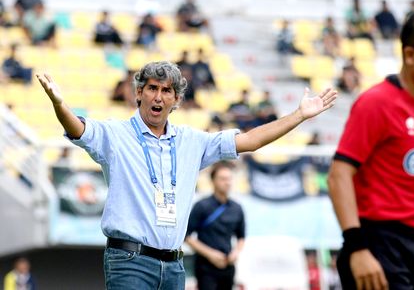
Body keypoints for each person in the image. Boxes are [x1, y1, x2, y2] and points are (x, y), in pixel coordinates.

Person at [36, 61, 337, 289]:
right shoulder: (115, 134)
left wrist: (299, 115)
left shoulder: (193, 141)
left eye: (166, 90)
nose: (158, 96)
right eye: (152, 88)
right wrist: (59, 105)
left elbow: (250, 140)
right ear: (138, 93)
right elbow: (78, 128)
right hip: (130, 262)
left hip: (175, 266)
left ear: (176, 100)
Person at [328, 8, 414, 290]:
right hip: (376, 245)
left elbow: (411, 201)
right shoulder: (377, 103)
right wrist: (358, 248)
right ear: (411, 56)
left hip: (411, 249)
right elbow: (339, 175)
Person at [185, 161, 245, 290]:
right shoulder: (202, 206)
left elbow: (241, 237)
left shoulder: (237, 208)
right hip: (205, 266)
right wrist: (210, 254)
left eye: (229, 179)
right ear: (213, 181)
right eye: (223, 179)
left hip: (228, 265)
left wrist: (235, 253)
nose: (227, 182)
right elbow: (186, 236)